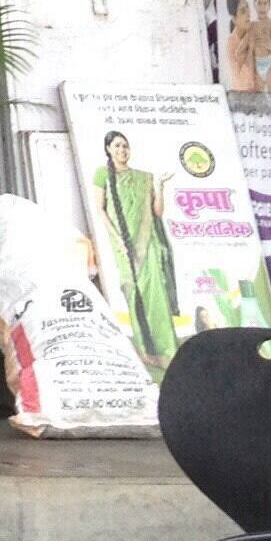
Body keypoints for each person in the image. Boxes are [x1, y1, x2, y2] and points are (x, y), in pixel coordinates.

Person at [92, 127, 183, 371]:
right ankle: (145, 351)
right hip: (123, 246)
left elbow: (157, 212)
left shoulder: (145, 178)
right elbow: (100, 210)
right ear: (108, 149)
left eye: (125, 146)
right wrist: (118, 239)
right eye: (117, 145)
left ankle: (167, 351)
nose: (122, 150)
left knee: (156, 293)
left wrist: (159, 186)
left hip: (148, 243)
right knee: (133, 292)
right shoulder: (102, 174)